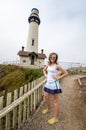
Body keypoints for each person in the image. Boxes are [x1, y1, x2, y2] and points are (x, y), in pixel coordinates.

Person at [42, 52, 68, 125]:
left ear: (56, 58)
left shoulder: (57, 66)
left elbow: (66, 73)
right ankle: (48, 108)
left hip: (54, 84)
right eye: (51, 57)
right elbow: (44, 70)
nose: (52, 58)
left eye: (54, 57)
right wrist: (45, 75)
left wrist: (59, 77)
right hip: (48, 84)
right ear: (49, 57)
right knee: (46, 96)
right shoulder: (48, 65)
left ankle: (56, 118)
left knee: (55, 101)